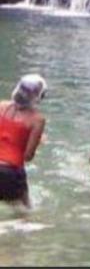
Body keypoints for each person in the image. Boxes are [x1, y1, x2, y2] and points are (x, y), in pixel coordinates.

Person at [0, 74, 47, 207]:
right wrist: (36, 141)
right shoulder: (38, 120)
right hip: (11, 171)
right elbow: (28, 157)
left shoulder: (1, 105)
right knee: (26, 213)